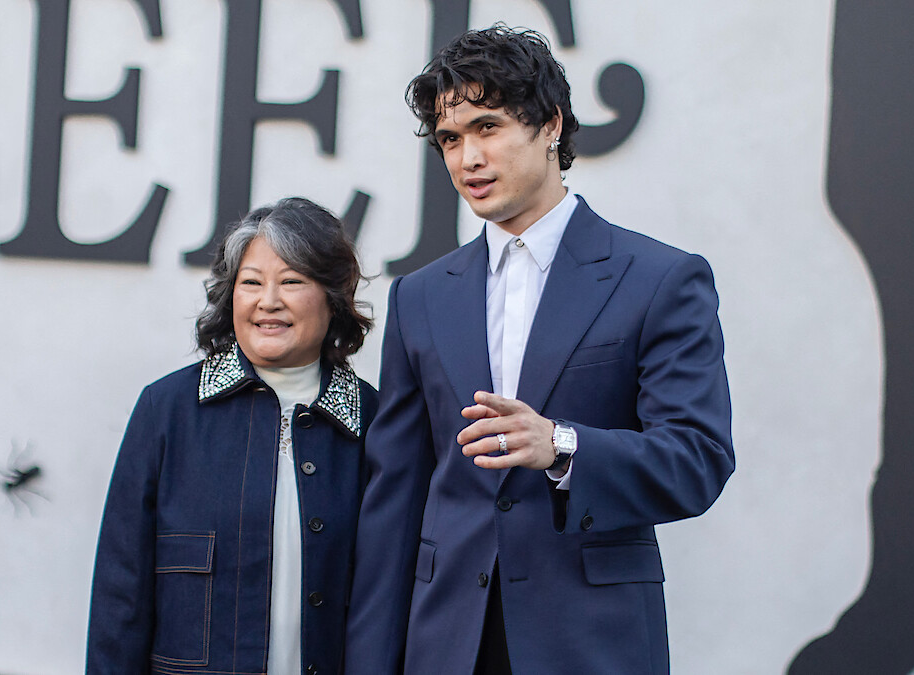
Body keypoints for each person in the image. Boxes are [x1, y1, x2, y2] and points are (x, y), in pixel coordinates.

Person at [345, 26, 735, 674]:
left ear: (551, 123)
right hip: (446, 644)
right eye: (450, 138)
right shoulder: (420, 297)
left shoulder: (659, 278)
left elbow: (697, 458)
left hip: (589, 643)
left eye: (488, 127)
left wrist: (562, 444)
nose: (468, 157)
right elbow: (395, 500)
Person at [86, 197, 377, 675]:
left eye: (291, 281)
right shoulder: (167, 410)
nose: (269, 302)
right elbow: (121, 593)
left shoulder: (374, 420)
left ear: (334, 295)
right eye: (251, 283)